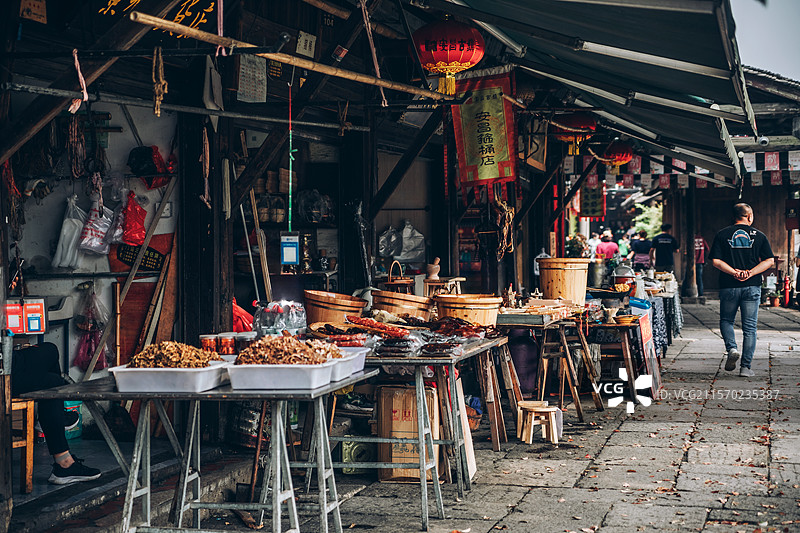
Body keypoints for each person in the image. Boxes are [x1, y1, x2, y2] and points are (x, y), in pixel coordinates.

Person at [11, 342, 102, 484]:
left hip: (9, 359)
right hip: (5, 369)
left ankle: (50, 419)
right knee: (53, 383)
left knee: (50, 350)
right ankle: (64, 463)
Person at [709, 203, 774, 377]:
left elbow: (715, 261)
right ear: (750, 216)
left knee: (726, 320)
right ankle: (746, 368)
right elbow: (769, 261)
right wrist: (749, 273)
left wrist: (734, 272)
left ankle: (732, 348)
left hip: (729, 285)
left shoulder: (722, 234)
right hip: (752, 285)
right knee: (750, 328)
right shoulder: (759, 236)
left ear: (734, 216)